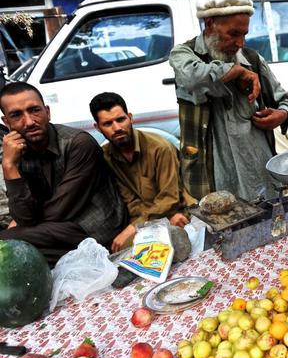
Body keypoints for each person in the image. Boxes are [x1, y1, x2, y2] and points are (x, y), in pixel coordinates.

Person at [169, 0, 288, 201]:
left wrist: (281, 115)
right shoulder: (184, 55)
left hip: (257, 170)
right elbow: (192, 77)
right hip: (212, 174)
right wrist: (235, 71)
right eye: (233, 34)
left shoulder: (251, 59)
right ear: (210, 24)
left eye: (244, 35)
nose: (240, 43)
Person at [0, 82, 127, 266]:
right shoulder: (18, 151)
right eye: (17, 115)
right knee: (13, 251)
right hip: (55, 231)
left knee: (10, 244)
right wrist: (9, 165)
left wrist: (20, 227)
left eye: (34, 110)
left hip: (96, 230)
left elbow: (59, 211)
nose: (28, 122)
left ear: (47, 112)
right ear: (7, 122)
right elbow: (25, 216)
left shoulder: (78, 143)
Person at [89, 92, 197, 252]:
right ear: (98, 128)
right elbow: (130, 202)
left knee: (176, 237)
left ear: (130, 118)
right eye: (108, 123)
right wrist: (138, 226)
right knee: (121, 250)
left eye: (121, 119)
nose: (117, 128)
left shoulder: (159, 148)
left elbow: (169, 199)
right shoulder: (107, 156)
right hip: (144, 219)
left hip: (175, 212)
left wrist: (134, 227)